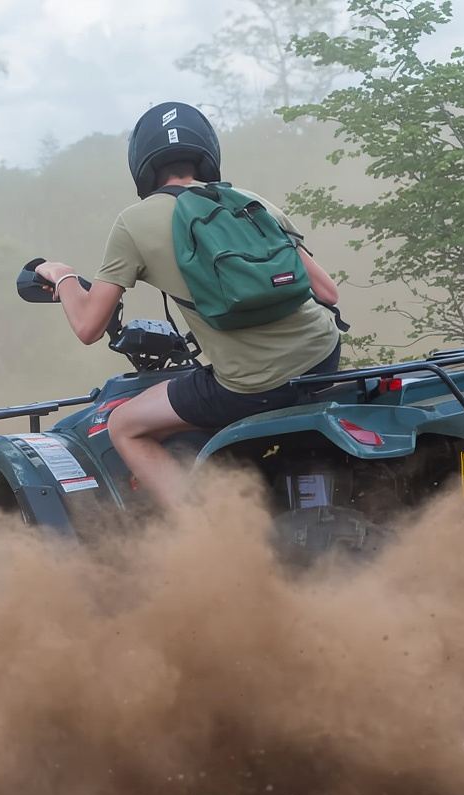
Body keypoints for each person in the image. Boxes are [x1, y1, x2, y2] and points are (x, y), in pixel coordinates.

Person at [36, 101, 341, 512]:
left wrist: (63, 275)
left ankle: (205, 533)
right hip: (322, 357)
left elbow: (90, 326)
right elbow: (327, 293)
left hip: (252, 385)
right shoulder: (252, 202)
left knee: (124, 425)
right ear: (207, 152)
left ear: (141, 163)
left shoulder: (134, 223)